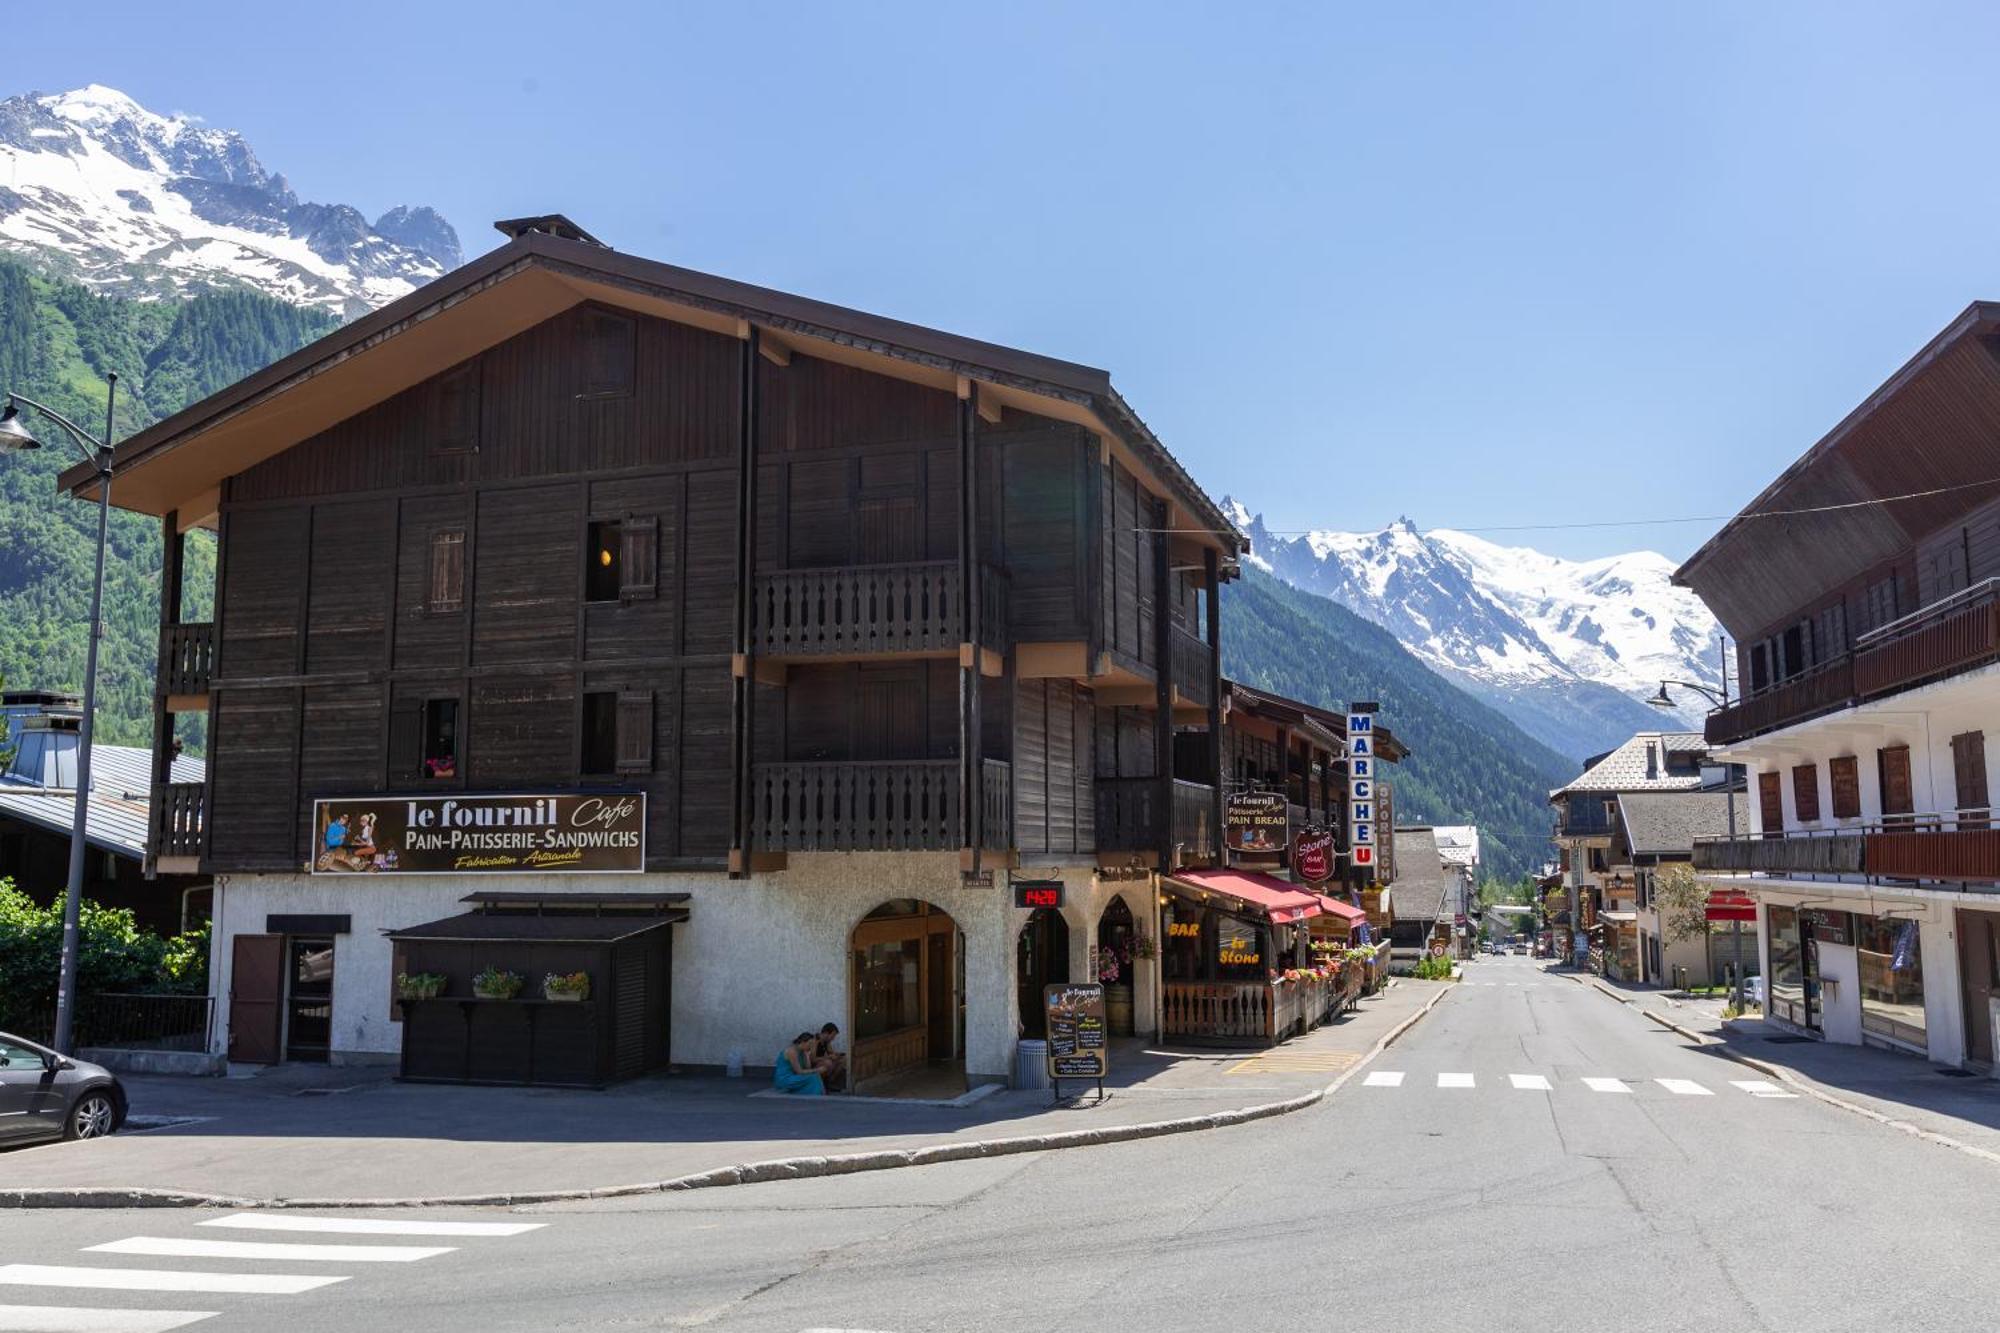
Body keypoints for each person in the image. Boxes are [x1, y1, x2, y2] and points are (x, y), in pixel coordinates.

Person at [772, 1032, 824, 1096]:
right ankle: (818, 1095)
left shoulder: (802, 1052)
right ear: (803, 1042)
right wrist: (817, 1069)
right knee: (813, 1077)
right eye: (810, 1044)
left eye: (812, 1045)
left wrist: (807, 1056)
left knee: (815, 1076)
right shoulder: (792, 1051)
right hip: (785, 1079)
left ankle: (820, 1094)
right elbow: (799, 1071)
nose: (811, 1046)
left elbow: (808, 1068)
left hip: (795, 1077)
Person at [812, 1022, 846, 1092]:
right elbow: (812, 1060)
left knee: (843, 1060)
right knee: (828, 1063)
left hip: (823, 1062)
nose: (833, 1038)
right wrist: (828, 1057)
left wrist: (838, 1055)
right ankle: (821, 1084)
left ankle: (829, 1083)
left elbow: (831, 1053)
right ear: (826, 1033)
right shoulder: (815, 1041)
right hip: (814, 1066)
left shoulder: (826, 1041)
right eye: (832, 1036)